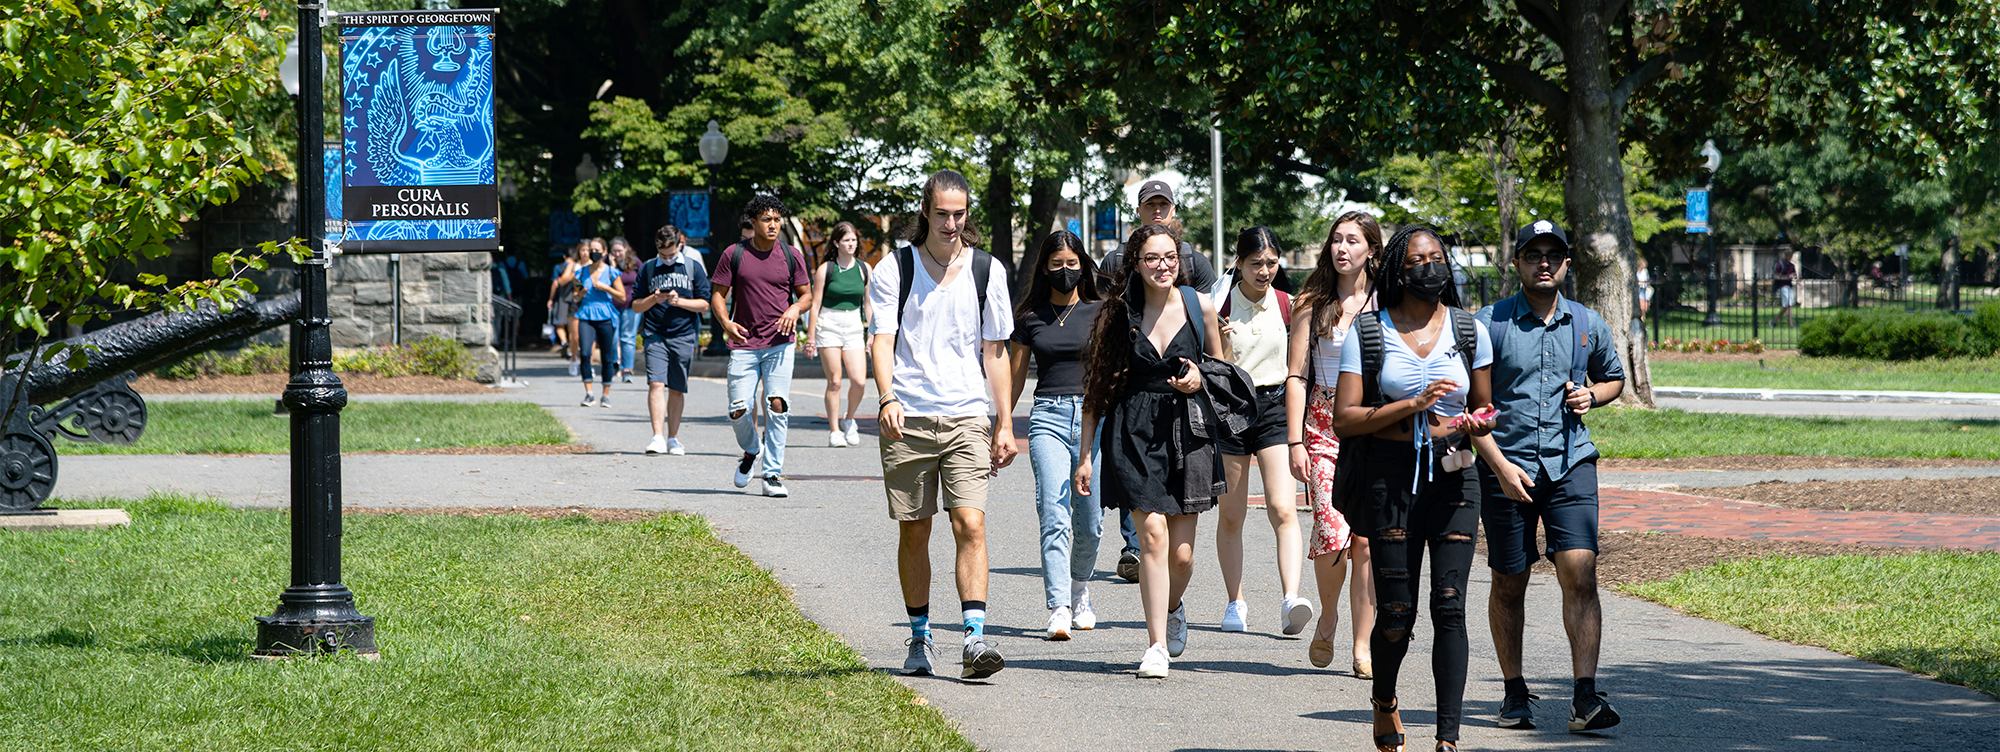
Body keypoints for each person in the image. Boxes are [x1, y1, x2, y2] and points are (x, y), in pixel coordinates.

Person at [1332, 225, 1495, 752]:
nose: (1431, 268)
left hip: (1455, 475)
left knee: (1450, 604)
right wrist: (1414, 404)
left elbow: (1487, 408)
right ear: (1398, 271)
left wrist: (1478, 422)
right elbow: (1346, 419)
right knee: (1397, 614)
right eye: (1419, 261)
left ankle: (1447, 740)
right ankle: (1384, 700)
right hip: (1390, 479)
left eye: (1438, 258)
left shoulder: (1470, 330)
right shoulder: (1370, 331)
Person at [1471, 220, 1627, 734]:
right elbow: (1473, 409)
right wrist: (1499, 467)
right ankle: (1514, 694)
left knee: (1580, 572)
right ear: (1515, 263)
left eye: (1553, 254)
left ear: (1565, 264)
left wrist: (1593, 395)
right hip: (1505, 466)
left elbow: (1614, 378)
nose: (1544, 262)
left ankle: (1585, 698)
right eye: (1532, 253)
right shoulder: (1489, 324)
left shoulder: (1587, 323)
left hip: (1570, 462)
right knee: (1509, 581)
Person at [868, 170, 1018, 679]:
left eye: (959, 214)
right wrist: (886, 395)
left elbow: (995, 351)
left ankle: (975, 640)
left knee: (970, 522)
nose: (951, 223)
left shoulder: (986, 271)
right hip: (907, 414)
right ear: (925, 212)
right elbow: (882, 341)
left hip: (967, 414)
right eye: (942, 214)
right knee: (915, 530)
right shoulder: (896, 269)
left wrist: (1003, 422)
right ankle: (920, 637)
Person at [1076, 222, 1228, 680]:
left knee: (1182, 556)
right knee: (1154, 540)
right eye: (1152, 258)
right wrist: (1086, 455)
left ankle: (1173, 605)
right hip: (1134, 432)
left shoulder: (1199, 306)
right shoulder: (1119, 314)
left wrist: (1201, 379)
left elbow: (1221, 370)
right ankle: (1156, 645)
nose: (1163, 266)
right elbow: (1097, 388)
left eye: (1170, 258)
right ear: (1135, 265)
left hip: (1189, 433)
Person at [1286, 211, 1379, 678]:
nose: (1342, 248)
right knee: (1330, 532)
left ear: (1371, 251)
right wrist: (1294, 440)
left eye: (1353, 241)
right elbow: (1297, 376)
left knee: (1365, 541)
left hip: (1375, 426)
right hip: (1322, 427)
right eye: (1336, 240)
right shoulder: (1311, 302)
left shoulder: (1387, 304)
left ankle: (1363, 644)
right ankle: (1328, 614)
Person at [1007, 229, 1107, 641]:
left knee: (1091, 523)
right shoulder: (1030, 317)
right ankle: (1059, 607)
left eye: (1071, 264)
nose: (1065, 272)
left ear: (1082, 265)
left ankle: (1080, 587)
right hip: (1046, 416)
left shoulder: (1101, 312)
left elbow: (1106, 375)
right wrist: (999, 428)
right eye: (1056, 265)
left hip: (1092, 419)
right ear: (1044, 269)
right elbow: (1013, 380)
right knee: (1054, 512)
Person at [1214, 226, 1313, 637]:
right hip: (1232, 406)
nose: (1265, 271)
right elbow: (1212, 369)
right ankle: (1235, 601)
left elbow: (1297, 370)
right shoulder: (1218, 305)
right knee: (1232, 514)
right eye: (1256, 263)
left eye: (1272, 263)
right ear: (1238, 263)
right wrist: (1217, 344)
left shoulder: (1289, 304)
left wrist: (1297, 435)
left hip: (1273, 406)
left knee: (1283, 507)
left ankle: (1291, 598)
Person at [711, 196, 813, 498]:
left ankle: (771, 475)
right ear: (753, 222)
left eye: (777, 219)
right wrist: (726, 324)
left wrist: (794, 310)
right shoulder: (734, 254)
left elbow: (806, 295)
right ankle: (751, 450)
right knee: (738, 409)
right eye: (767, 219)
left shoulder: (791, 254)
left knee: (777, 405)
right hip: (744, 342)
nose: (773, 225)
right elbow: (718, 295)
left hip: (779, 343)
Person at [634, 224, 711, 456]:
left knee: (677, 388)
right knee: (656, 383)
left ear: (681, 244)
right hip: (655, 334)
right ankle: (657, 437)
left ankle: (673, 438)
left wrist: (680, 302)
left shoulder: (692, 267)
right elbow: (636, 306)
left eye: (671, 254)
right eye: (662, 254)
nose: (667, 259)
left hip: (683, 334)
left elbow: (705, 304)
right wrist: (654, 299)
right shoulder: (648, 268)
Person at [804, 222, 871, 447]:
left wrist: (872, 333)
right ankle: (834, 431)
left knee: (859, 381)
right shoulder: (826, 269)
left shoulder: (864, 269)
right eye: (846, 241)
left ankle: (849, 419)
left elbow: (869, 304)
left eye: (854, 240)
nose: (851, 244)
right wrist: (810, 338)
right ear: (836, 243)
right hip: (828, 324)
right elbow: (815, 305)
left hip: (853, 324)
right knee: (835, 381)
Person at [1097, 180, 1218, 293]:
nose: (1157, 210)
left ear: (1173, 210)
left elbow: (1210, 308)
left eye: (1164, 204)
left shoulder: (1195, 261)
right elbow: (1101, 309)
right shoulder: (1116, 260)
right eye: (1150, 204)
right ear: (1138, 211)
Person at [571, 240, 625, 408]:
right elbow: (575, 296)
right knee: (586, 353)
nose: (593, 252)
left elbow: (622, 297)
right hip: (586, 314)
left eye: (596, 250)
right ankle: (589, 394)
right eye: (590, 249)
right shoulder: (580, 273)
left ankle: (606, 395)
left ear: (604, 252)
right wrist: (580, 293)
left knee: (607, 356)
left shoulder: (611, 273)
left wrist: (605, 288)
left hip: (605, 314)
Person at [548, 242, 584, 371]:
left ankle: (565, 342)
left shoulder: (559, 267)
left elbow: (556, 283)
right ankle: (570, 345)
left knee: (559, 324)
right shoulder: (576, 266)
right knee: (572, 327)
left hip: (564, 299)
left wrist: (551, 298)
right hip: (574, 299)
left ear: (564, 256)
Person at [610, 237, 641, 383]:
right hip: (612, 306)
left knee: (628, 337)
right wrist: (611, 265)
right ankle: (614, 363)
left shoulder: (635, 262)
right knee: (612, 336)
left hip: (631, 306)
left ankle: (627, 369)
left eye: (619, 251)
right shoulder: (607, 263)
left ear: (626, 249)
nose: (617, 254)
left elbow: (643, 278)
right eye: (614, 251)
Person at [1772, 253, 1798, 326]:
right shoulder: (1780, 264)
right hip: (1783, 287)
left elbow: (1794, 275)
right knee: (1787, 306)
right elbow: (1776, 276)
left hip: (1790, 286)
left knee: (1788, 306)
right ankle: (1790, 323)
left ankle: (1775, 322)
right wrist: (1787, 277)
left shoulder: (1792, 266)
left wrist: (1794, 277)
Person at [1634, 257, 1652, 322]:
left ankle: (1643, 318)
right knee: (1641, 307)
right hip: (1639, 290)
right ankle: (1641, 319)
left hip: (1645, 289)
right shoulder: (1637, 272)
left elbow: (1647, 279)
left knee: (1646, 308)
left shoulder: (1645, 271)